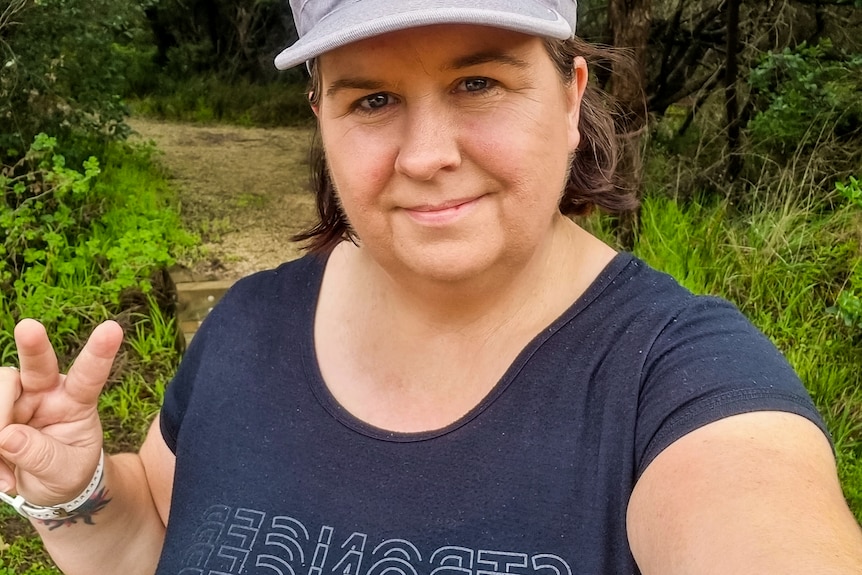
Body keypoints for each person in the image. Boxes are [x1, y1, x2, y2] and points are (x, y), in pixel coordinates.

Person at [1, 1, 861, 573]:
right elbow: (147, 541)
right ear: (322, 121)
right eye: (372, 100)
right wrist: (76, 494)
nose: (426, 154)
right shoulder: (248, 325)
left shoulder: (678, 387)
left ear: (570, 98)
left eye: (477, 82)